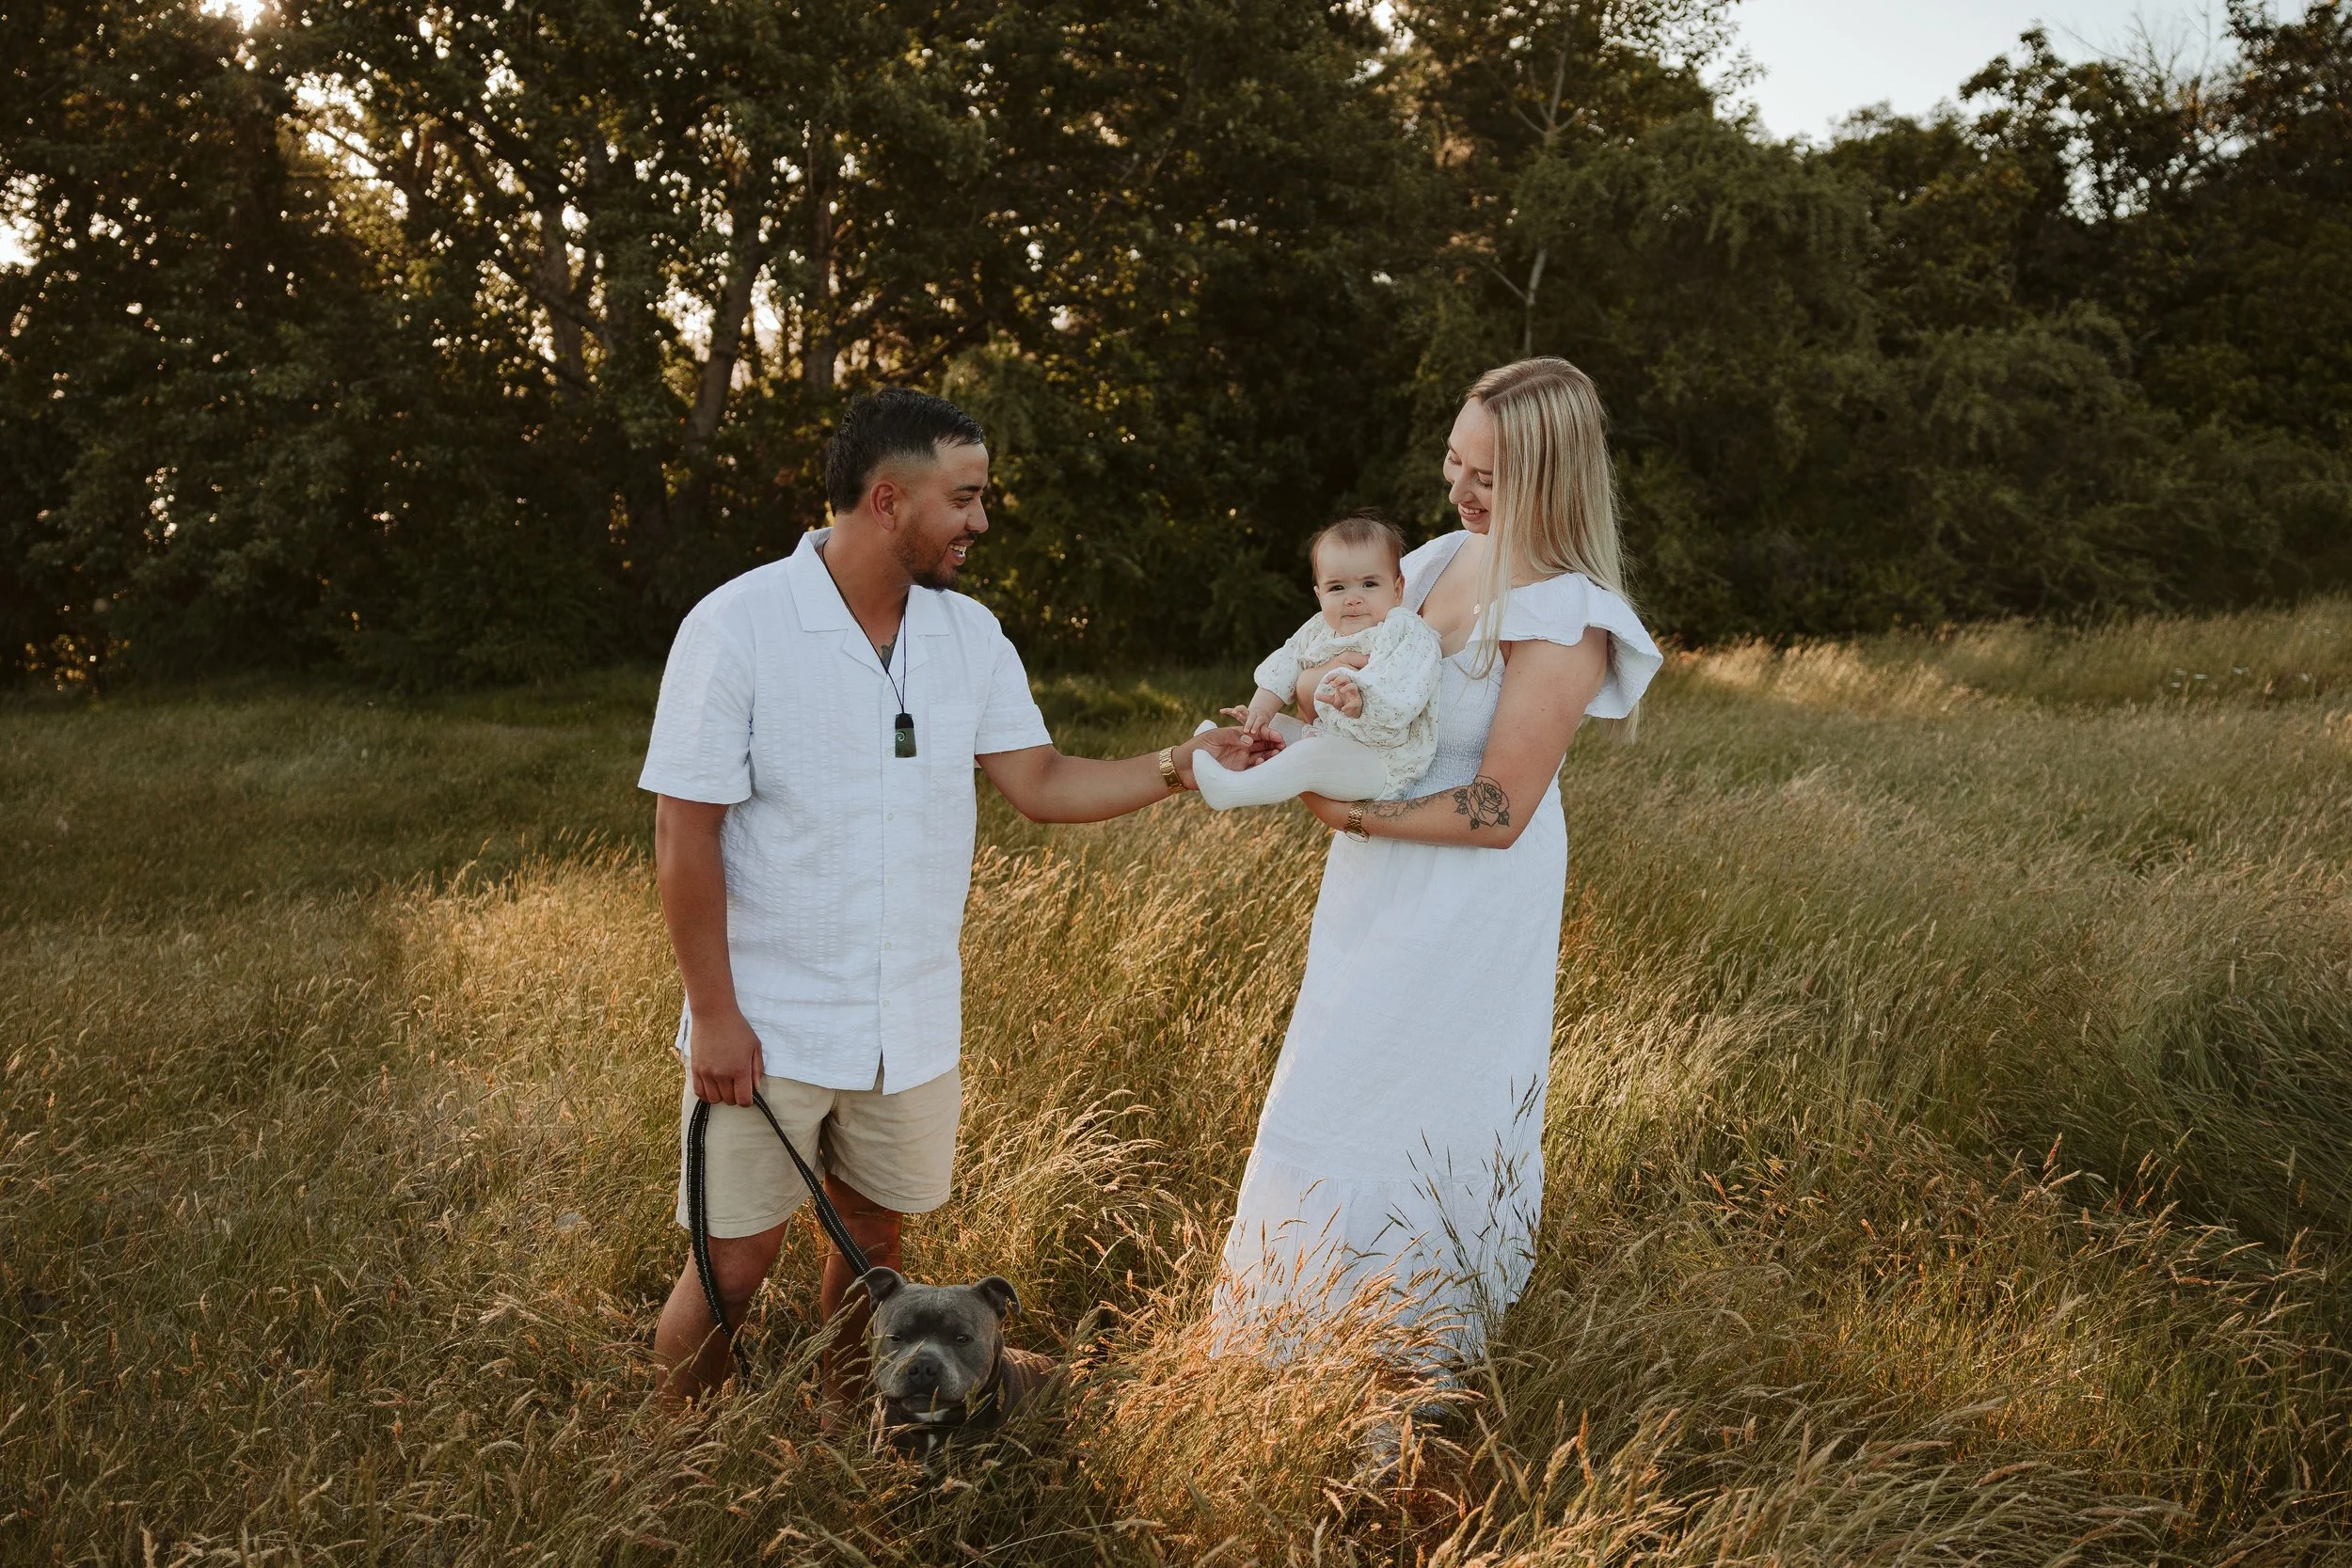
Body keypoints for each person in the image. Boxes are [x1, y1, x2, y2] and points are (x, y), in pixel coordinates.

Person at [641, 387, 1264, 1408]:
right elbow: (685, 830)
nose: (980, 521)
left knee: (876, 1244)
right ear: (888, 500)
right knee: (734, 1263)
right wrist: (713, 1014)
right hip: (768, 1023)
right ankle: (673, 1467)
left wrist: (1178, 763)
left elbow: (1042, 781)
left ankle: (855, 1422)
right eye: (964, 499)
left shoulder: (968, 636)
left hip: (912, 1021)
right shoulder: (739, 626)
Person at [1210, 357, 1664, 1368]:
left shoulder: (1567, 615)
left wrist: (1355, 811)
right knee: (1328, 1090)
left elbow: (1498, 804)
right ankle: (1279, 1360)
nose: (1459, 490)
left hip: (1468, 897)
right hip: (1375, 882)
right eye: (1455, 461)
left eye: (1489, 477)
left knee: (1426, 1116)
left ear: (1551, 476)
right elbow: (1350, 681)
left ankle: (1403, 1380)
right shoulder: (1427, 564)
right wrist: (1284, 733)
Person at [1193, 513, 1442, 811]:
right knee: (1270, 729)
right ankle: (1226, 757)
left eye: (1369, 584)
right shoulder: (1316, 629)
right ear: (1319, 594)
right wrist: (1260, 710)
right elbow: (1284, 666)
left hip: (1384, 761)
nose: (1352, 598)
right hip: (1330, 739)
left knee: (1310, 756)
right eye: (1337, 588)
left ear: (1397, 589)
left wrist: (1361, 702)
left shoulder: (1406, 631)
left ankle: (1233, 791)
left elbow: (1407, 691)